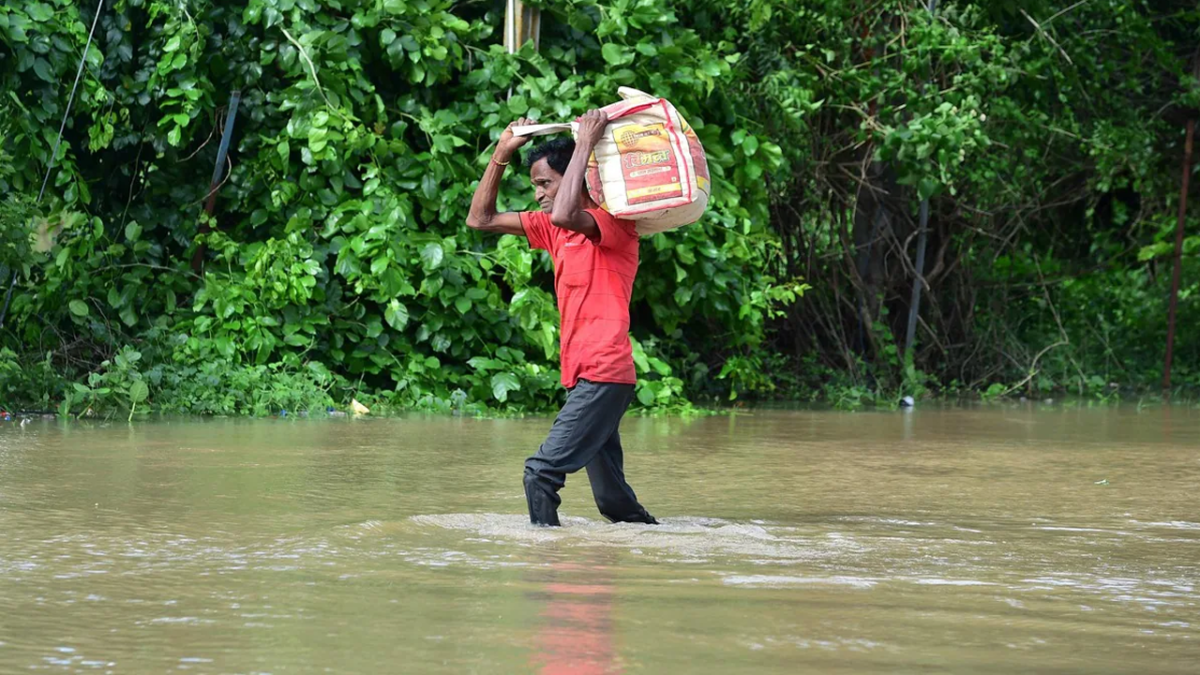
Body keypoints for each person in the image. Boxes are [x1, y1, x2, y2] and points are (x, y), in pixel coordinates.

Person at [466, 110, 658, 527]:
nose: (538, 194)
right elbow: (479, 219)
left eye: (544, 183)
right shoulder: (556, 232)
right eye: (535, 185)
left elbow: (567, 213)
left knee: (540, 473)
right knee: (614, 503)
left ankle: (545, 558)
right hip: (584, 376)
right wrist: (500, 154)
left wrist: (585, 144)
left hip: (604, 373)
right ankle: (663, 550)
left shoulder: (615, 225)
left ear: (574, 176)